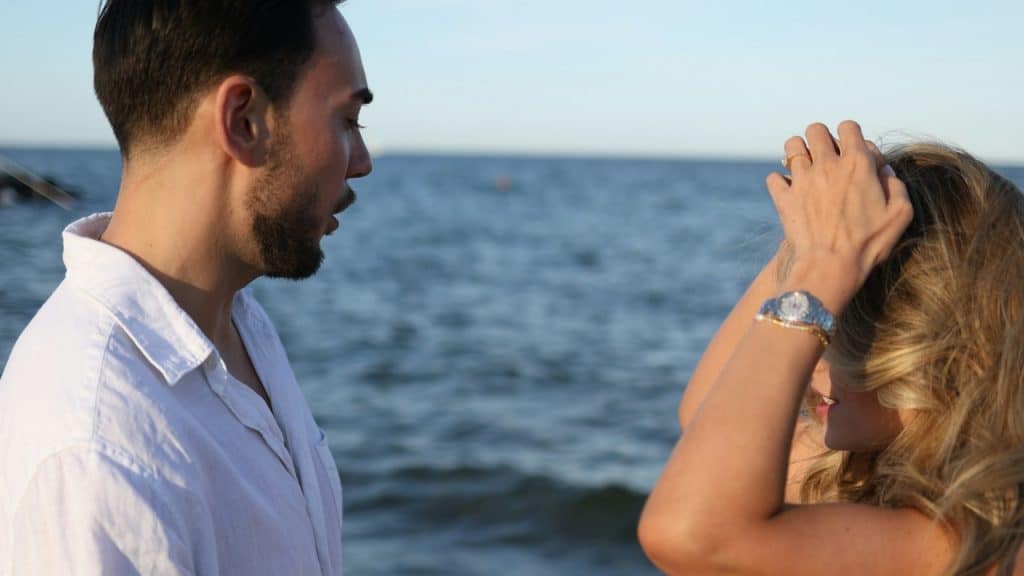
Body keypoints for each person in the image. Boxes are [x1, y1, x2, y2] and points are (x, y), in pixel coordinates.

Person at [0, 1, 372, 574]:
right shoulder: (99, 450)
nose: (361, 162)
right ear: (244, 121)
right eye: (347, 121)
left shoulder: (237, 322)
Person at [638, 121, 1024, 575]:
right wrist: (815, 241)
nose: (810, 357)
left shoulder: (984, 545)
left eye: (832, 324)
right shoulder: (862, 475)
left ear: (930, 344)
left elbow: (692, 534)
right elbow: (709, 415)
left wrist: (826, 262)